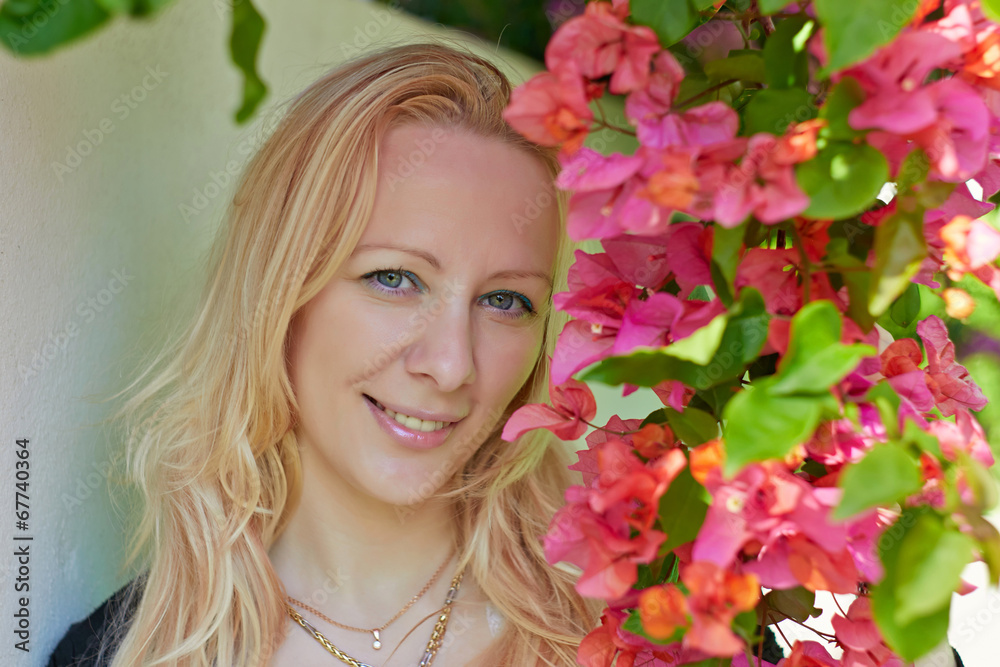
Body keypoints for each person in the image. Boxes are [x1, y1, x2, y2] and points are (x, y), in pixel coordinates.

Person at [46, 40, 603, 667]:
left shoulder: (629, 630)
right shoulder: (117, 653)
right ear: (280, 294)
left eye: (504, 301)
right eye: (394, 278)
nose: (451, 365)